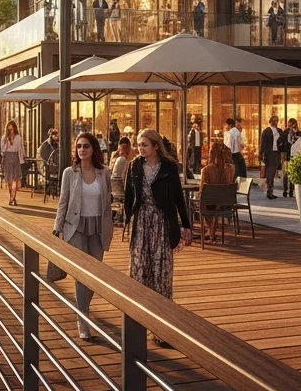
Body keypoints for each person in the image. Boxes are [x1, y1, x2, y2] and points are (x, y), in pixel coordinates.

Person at [124, 128, 192, 345]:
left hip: (162, 223)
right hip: (141, 223)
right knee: (139, 273)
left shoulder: (169, 167)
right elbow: (128, 195)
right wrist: (128, 219)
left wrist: (186, 225)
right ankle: (137, 325)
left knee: (161, 275)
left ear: (155, 146)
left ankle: (162, 331)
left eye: (144, 144)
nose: (140, 148)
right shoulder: (135, 165)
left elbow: (178, 199)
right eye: (138, 144)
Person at [52, 131, 114, 340]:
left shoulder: (104, 172)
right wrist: (57, 228)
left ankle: (83, 312)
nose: (82, 150)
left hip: (98, 227)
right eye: (79, 146)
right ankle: (83, 320)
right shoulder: (70, 173)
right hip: (75, 227)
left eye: (86, 146)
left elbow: (108, 202)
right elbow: (63, 201)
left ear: (93, 149)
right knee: (82, 275)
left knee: (94, 276)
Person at [198, 141, 236, 243]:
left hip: (209, 204)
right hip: (226, 203)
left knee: (202, 201)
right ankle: (211, 232)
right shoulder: (231, 169)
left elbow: (202, 190)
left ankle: (210, 231)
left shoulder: (206, 170)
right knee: (214, 201)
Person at [258, 115, 286, 199]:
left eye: (276, 120)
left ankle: (270, 191)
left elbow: (283, 141)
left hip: (276, 154)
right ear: (270, 122)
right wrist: (261, 155)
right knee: (270, 173)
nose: (275, 122)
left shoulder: (279, 131)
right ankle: (269, 192)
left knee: (272, 173)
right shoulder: (266, 131)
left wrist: (282, 151)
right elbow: (262, 144)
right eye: (273, 120)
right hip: (269, 154)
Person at [1, 119, 25, 207]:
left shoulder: (18, 138)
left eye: (12, 129)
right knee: (9, 180)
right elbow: (2, 149)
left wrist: (21, 160)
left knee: (15, 179)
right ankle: (11, 196)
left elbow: (20, 149)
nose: (11, 131)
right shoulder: (4, 138)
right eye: (9, 129)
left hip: (15, 158)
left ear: (15, 129)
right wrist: (7, 142)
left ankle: (13, 197)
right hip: (7, 158)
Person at [283, 118, 301, 197]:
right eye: (289, 124)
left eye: (292, 124)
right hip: (287, 155)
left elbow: (300, 145)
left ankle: (291, 191)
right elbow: (282, 143)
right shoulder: (285, 132)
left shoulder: (299, 133)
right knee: (286, 174)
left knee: (292, 173)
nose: (291, 126)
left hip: (294, 155)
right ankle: (285, 191)